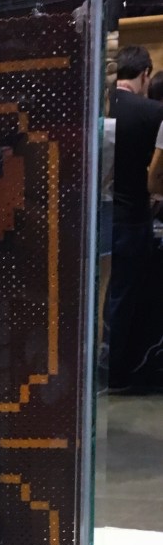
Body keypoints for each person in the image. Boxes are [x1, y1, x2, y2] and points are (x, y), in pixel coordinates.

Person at [106, 45, 163, 389]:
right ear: (144, 74)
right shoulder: (152, 112)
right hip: (132, 217)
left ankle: (96, 366)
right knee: (124, 295)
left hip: (96, 216)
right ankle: (116, 371)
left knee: (97, 293)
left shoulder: (100, 105)